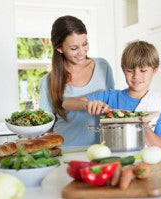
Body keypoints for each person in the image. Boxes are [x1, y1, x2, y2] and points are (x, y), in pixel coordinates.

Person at [62, 41, 161, 150]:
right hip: (113, 161)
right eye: (130, 70)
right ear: (123, 71)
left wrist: (144, 127)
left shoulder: (160, 103)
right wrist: (87, 104)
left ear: (154, 71)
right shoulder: (111, 96)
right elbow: (67, 103)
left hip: (145, 163)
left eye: (143, 70)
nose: (136, 76)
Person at [39, 15, 114, 147]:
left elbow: (112, 106)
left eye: (85, 44)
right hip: (65, 150)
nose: (81, 52)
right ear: (60, 48)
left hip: (102, 149)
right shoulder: (48, 81)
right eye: (74, 48)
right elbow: (45, 128)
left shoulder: (103, 67)